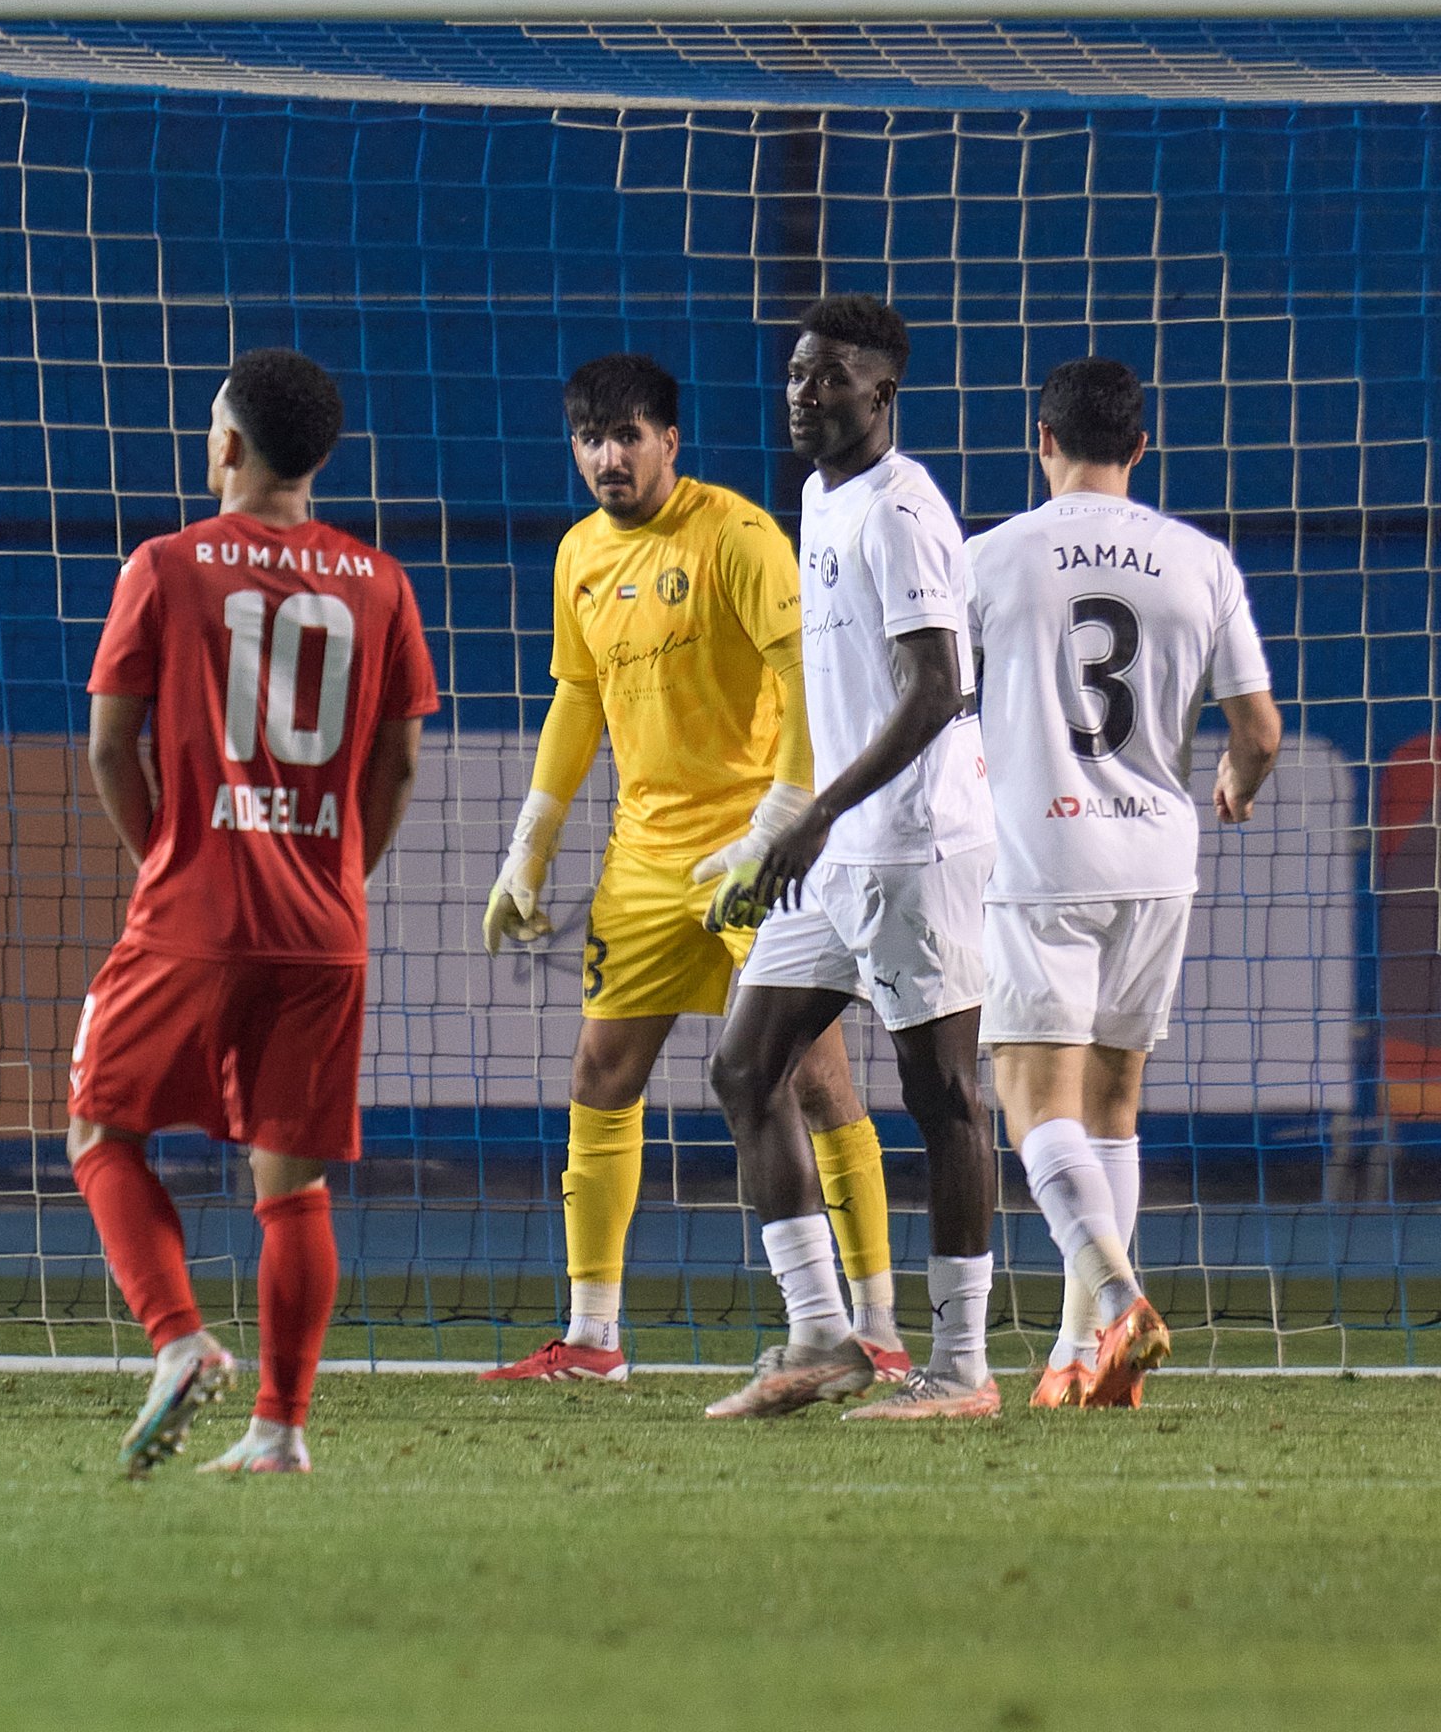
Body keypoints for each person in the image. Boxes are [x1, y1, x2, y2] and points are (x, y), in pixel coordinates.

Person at [480, 352, 907, 1385]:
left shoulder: (739, 537)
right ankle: (592, 1337)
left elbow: (803, 673)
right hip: (643, 860)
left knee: (814, 1077)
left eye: (627, 437)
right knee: (600, 1074)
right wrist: (530, 846)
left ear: (669, 441)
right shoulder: (578, 555)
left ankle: (879, 1329)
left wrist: (782, 816)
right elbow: (577, 697)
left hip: (755, 857)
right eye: (590, 439)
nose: (608, 458)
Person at [68, 348, 438, 1474]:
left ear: (228, 443)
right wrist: (340, 876)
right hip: (324, 929)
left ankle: (179, 1340)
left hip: (194, 909)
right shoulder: (381, 581)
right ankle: (280, 1431)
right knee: (294, 1185)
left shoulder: (166, 565)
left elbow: (108, 746)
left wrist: (167, 857)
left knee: (99, 1128)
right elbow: (399, 762)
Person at [707, 293, 1001, 1424]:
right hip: (835, 853)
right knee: (746, 1069)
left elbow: (937, 688)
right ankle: (823, 1337)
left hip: (913, 850)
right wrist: (802, 819)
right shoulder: (819, 496)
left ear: (884, 391)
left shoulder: (900, 512)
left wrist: (819, 813)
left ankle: (962, 1369)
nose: (802, 393)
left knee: (942, 1097)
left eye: (829, 376)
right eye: (796, 373)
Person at [966, 356, 1280, 1408]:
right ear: (1141, 448)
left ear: (1042, 440)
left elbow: (931, 698)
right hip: (1156, 861)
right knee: (1113, 1107)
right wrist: (1235, 781)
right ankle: (1076, 1358)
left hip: (1041, 857)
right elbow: (1260, 731)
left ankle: (1116, 1300)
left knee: (1031, 1099)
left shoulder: (990, 558)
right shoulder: (1200, 561)